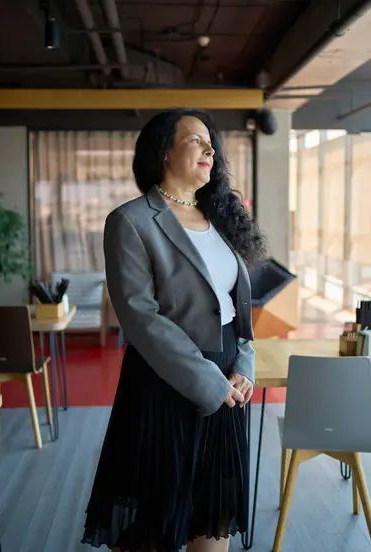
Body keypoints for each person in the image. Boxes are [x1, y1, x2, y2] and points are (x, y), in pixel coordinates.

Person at [82, 108, 266, 552]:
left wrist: (245, 363)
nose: (210, 148)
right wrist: (209, 382)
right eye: (195, 140)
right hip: (164, 387)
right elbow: (140, 318)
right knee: (153, 530)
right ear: (164, 152)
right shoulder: (130, 221)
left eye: (210, 142)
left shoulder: (219, 217)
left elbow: (234, 304)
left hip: (226, 383)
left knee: (211, 522)